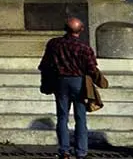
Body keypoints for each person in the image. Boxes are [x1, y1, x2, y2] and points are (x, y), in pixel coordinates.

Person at [39, 17, 98, 159]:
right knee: (80, 117)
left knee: (62, 116)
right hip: (78, 81)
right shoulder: (84, 48)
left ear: (65, 29)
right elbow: (91, 68)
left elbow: (45, 64)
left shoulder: (54, 44)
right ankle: (81, 151)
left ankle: (64, 150)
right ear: (81, 30)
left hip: (60, 81)